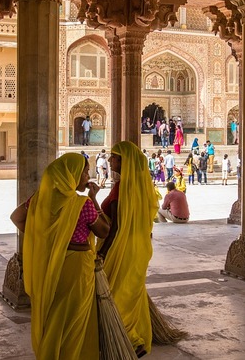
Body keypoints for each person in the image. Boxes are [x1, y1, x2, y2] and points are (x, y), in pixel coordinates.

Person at [10, 153, 110, 360]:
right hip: (76, 267)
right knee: (73, 317)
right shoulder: (82, 204)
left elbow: (17, 217)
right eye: (84, 172)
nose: (87, 176)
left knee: (54, 314)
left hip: (50, 263)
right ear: (71, 175)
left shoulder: (41, 199)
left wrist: (46, 238)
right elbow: (103, 231)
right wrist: (93, 198)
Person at [98, 141, 160, 357]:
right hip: (138, 248)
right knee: (131, 291)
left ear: (124, 161)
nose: (110, 160)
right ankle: (135, 337)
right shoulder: (142, 187)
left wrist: (102, 252)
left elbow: (114, 227)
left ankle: (129, 339)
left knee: (117, 294)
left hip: (120, 247)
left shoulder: (121, 188)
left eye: (114, 157)